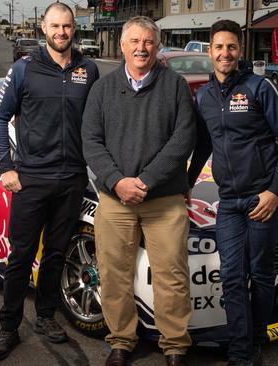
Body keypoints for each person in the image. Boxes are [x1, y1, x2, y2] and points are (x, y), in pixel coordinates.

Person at [0, 2, 99, 361]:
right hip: (31, 179)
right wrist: (6, 167)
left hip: (72, 180)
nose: (61, 32)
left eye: (67, 26)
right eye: (55, 26)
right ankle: (8, 326)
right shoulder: (24, 69)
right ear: (43, 28)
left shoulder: (89, 69)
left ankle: (46, 316)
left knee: (54, 254)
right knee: (20, 257)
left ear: (73, 29)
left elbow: (99, 124)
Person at [82, 16, 195, 366]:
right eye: (134, 41)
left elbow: (183, 140)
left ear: (157, 46)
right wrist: (117, 181)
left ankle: (174, 345)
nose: (141, 47)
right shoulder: (102, 89)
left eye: (148, 41)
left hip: (163, 199)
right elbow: (91, 140)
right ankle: (121, 340)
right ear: (122, 46)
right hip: (116, 200)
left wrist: (144, 181)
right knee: (113, 273)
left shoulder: (175, 86)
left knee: (172, 274)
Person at [187, 20, 278, 366]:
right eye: (218, 47)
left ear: (239, 51)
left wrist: (275, 191)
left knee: (260, 273)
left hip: (262, 198)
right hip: (229, 203)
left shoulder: (260, 87)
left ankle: (256, 338)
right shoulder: (204, 95)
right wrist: (187, 183)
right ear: (210, 51)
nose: (225, 53)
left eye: (231, 47)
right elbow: (204, 144)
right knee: (232, 275)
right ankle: (240, 349)